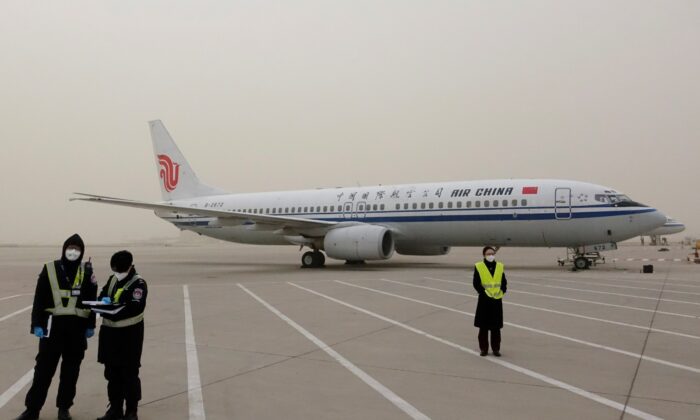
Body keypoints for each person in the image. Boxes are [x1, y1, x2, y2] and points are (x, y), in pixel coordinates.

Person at [15, 234, 97, 420]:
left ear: (82, 252)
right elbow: (39, 298)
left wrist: (91, 325)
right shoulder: (50, 268)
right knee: (43, 372)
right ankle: (32, 410)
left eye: (77, 248)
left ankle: (64, 408)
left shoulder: (87, 271)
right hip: (52, 331)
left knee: (70, 374)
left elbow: (92, 300)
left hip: (76, 332)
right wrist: (37, 324)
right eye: (70, 247)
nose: (73, 251)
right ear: (64, 248)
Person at [96, 250, 147, 420]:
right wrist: (102, 302)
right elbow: (103, 294)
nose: (117, 273)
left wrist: (111, 311)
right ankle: (115, 409)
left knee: (130, 374)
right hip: (110, 336)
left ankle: (131, 410)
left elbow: (135, 307)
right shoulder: (112, 279)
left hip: (130, 337)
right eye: (114, 269)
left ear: (130, 266)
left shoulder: (138, 283)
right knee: (112, 373)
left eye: (120, 270)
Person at [473, 246, 507, 357]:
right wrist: (484, 293)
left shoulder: (500, 266)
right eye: (488, 254)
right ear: (484, 255)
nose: (491, 255)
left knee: (496, 328)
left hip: (496, 300)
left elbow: (503, 282)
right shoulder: (479, 266)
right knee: (483, 327)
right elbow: (476, 283)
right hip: (484, 301)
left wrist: (502, 291)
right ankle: (484, 349)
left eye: (492, 253)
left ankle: (496, 349)